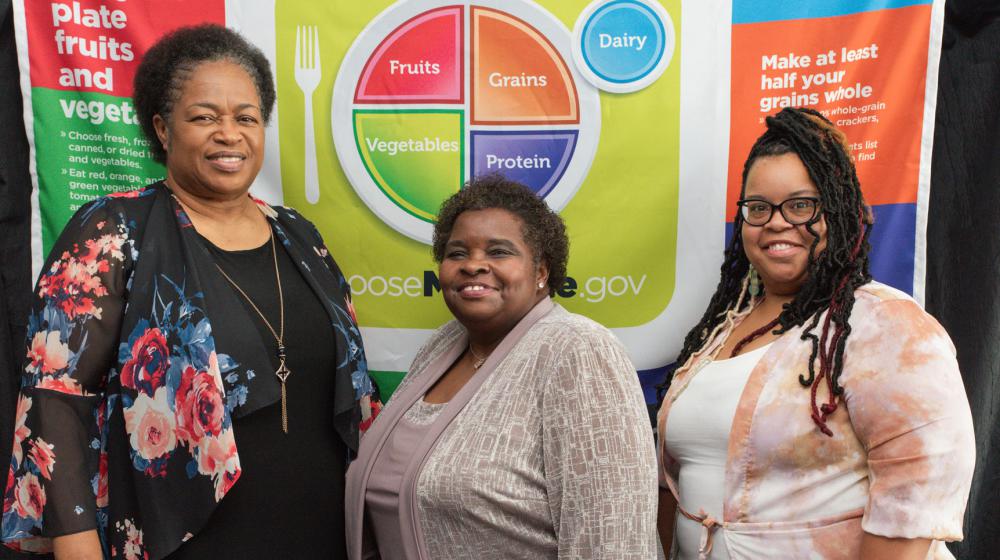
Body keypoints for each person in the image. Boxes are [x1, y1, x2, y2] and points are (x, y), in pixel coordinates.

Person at [2, 24, 378, 559]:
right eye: (205, 117)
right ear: (162, 128)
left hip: (319, 530)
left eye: (246, 118)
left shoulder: (300, 235)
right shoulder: (112, 230)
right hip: (183, 538)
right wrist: (77, 544)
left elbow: (351, 397)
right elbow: (55, 398)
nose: (230, 134)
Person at [656, 107, 975, 559]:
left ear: (838, 212)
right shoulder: (721, 328)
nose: (777, 222)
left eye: (801, 205)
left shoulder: (883, 324)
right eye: (759, 207)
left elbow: (916, 498)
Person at [344, 175, 658, 559]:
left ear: (541, 271)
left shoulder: (578, 351)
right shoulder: (442, 346)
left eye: (498, 252)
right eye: (457, 253)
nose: (474, 265)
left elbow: (611, 538)